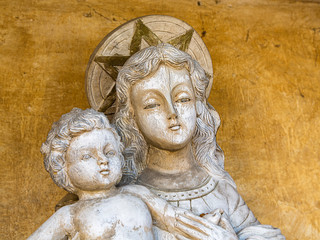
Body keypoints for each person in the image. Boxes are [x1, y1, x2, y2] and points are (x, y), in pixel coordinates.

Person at [114, 43, 285, 239]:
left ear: (198, 106)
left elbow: (258, 233)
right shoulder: (124, 195)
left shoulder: (219, 186)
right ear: (131, 117)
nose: (172, 113)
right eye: (153, 104)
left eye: (183, 99)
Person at [29, 108, 235, 240]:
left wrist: (207, 226)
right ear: (63, 169)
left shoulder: (135, 193)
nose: (103, 160)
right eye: (86, 156)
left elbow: (174, 220)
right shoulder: (70, 215)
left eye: (109, 152)